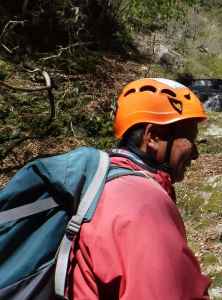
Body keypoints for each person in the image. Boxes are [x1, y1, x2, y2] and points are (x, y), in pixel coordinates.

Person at [67, 78, 211, 299]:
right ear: (152, 137)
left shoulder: (104, 180)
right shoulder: (140, 205)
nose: (195, 154)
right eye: (190, 140)